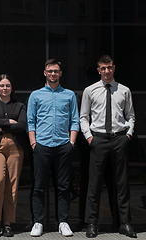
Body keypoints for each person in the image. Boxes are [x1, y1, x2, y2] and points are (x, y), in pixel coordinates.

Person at [80, 55, 136, 238]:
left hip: (119, 139)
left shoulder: (124, 91)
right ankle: (92, 224)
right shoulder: (90, 90)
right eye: (103, 68)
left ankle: (125, 223)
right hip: (98, 140)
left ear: (114, 68)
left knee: (122, 184)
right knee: (94, 184)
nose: (106, 71)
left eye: (109, 67)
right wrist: (89, 138)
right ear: (98, 70)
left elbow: (130, 116)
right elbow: (84, 117)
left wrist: (128, 134)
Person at [27, 59, 79, 237]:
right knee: (39, 186)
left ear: (60, 73)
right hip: (42, 145)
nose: (53, 74)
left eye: (56, 71)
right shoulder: (35, 95)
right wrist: (34, 143)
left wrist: (71, 143)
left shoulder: (69, 95)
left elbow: (75, 120)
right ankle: (38, 222)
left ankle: (63, 222)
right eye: (50, 71)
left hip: (63, 145)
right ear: (44, 73)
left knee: (63, 186)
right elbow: (30, 121)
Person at [0, 74, 27, 237]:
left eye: (8, 85)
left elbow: (23, 125)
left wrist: (1, 126)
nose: (5, 88)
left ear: (12, 88)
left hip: (15, 147)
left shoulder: (19, 105)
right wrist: (10, 123)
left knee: (12, 184)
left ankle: (8, 223)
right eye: (2, 85)